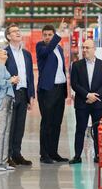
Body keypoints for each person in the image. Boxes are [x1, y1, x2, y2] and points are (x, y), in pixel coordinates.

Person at [69, 39, 102, 164]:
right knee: (80, 129)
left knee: (97, 129)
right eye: (83, 48)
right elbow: (74, 84)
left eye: (88, 48)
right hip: (82, 102)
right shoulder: (76, 65)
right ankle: (77, 156)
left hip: (97, 102)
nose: (85, 50)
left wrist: (95, 96)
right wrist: (87, 95)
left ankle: (98, 154)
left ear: (94, 49)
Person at [36, 21, 69, 164]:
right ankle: (44, 155)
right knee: (47, 123)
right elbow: (48, 49)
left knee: (57, 123)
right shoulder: (41, 47)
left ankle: (53, 152)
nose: (48, 37)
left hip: (60, 89)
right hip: (48, 90)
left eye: (50, 35)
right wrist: (59, 33)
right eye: (45, 35)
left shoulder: (59, 49)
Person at [5, 24, 35, 166]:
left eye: (18, 31)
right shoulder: (3, 53)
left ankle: (17, 154)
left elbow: (30, 76)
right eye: (14, 31)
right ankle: (7, 156)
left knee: (19, 126)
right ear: (8, 36)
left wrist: (31, 95)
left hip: (23, 94)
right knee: (9, 126)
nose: (18, 33)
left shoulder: (27, 54)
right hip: (10, 94)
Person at [0, 47, 20, 171]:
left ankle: (3, 161)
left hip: (6, 101)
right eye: (1, 52)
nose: (5, 52)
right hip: (1, 101)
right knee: (1, 133)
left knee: (6, 132)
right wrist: (11, 80)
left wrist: (11, 80)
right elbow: (0, 83)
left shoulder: (2, 67)